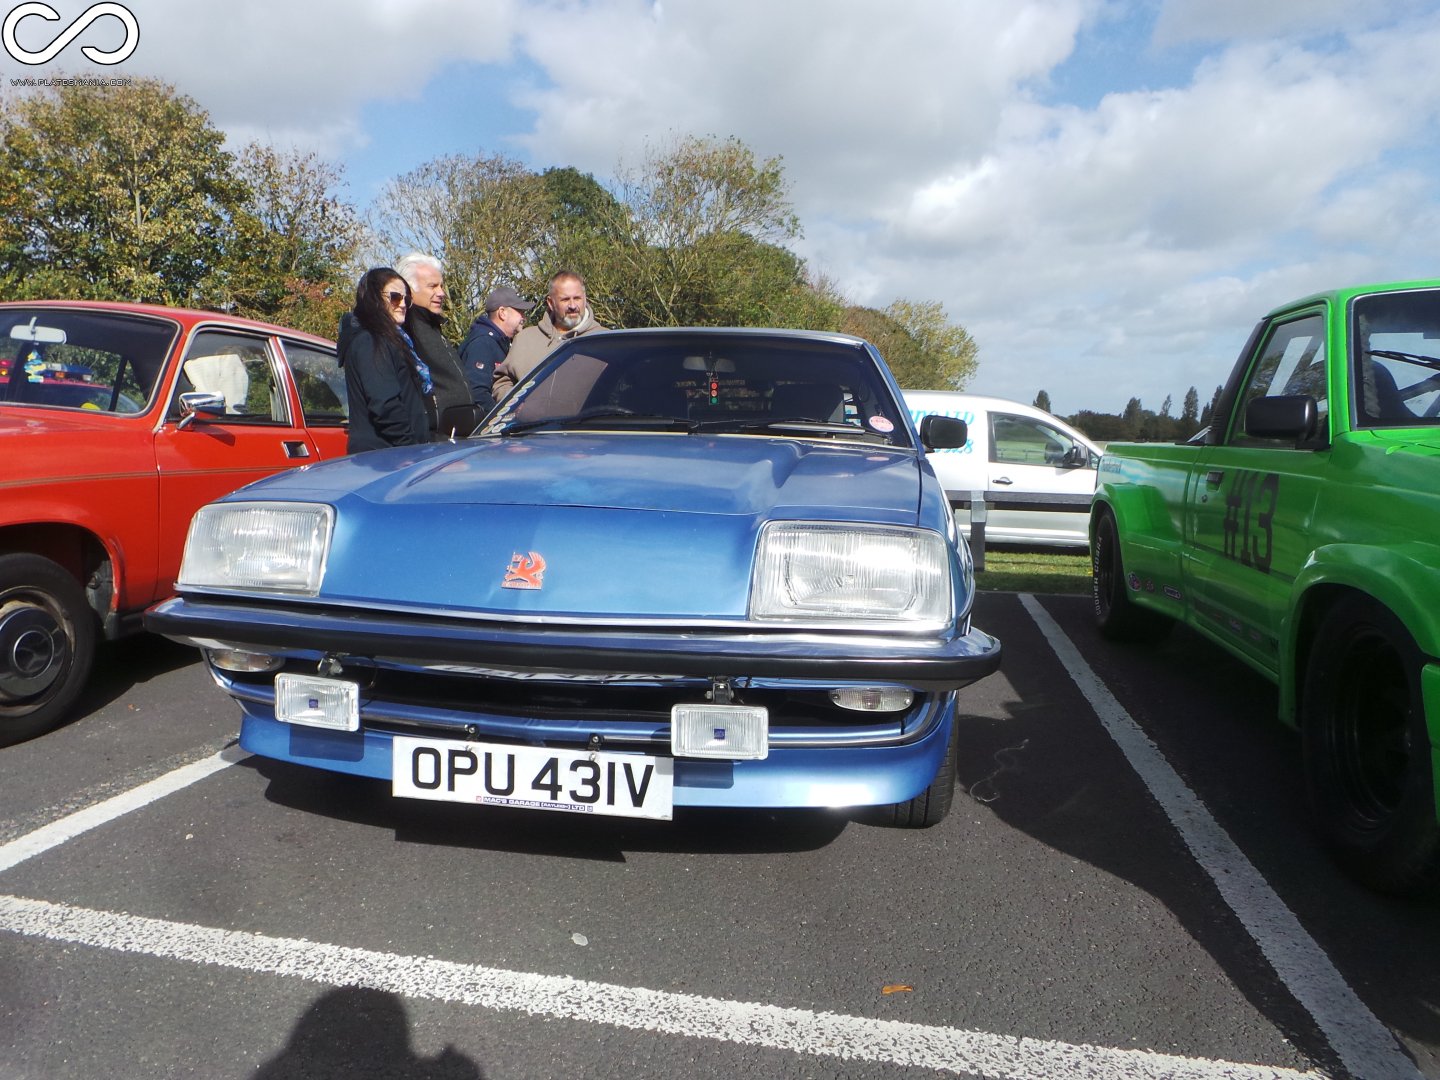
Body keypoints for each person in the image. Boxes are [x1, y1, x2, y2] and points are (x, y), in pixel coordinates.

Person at [338, 268, 436, 453]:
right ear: (374, 298)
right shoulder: (371, 341)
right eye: (395, 297)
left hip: (397, 455)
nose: (402, 304)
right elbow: (384, 404)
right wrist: (411, 448)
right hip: (384, 458)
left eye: (406, 299)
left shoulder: (395, 340)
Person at [396, 252, 479, 437]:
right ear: (409, 290)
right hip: (434, 441)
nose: (441, 293)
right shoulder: (407, 331)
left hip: (457, 438)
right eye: (432, 286)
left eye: (441, 286)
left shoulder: (432, 325)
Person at [491, 270, 604, 400]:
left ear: (585, 299)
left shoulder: (604, 340)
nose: (573, 306)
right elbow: (502, 382)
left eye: (577, 298)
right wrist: (517, 407)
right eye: (565, 299)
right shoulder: (525, 339)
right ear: (551, 303)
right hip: (533, 420)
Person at [458, 285, 534, 414]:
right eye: (519, 311)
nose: (524, 317)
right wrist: (499, 420)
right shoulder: (483, 343)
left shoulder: (500, 342)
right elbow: (477, 393)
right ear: (502, 312)